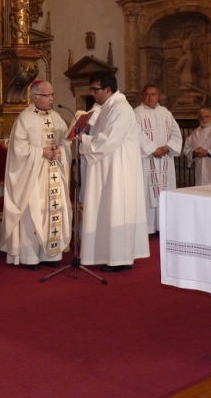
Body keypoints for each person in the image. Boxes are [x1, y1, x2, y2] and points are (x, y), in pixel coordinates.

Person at [79, 71, 149, 272]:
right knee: (108, 210)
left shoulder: (121, 109)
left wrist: (83, 140)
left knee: (117, 210)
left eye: (95, 89)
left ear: (108, 89)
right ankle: (110, 254)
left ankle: (120, 258)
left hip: (118, 170)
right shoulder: (105, 108)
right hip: (107, 167)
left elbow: (108, 139)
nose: (92, 93)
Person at [0, 81, 72, 271]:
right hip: (32, 177)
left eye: (52, 95)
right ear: (35, 97)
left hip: (54, 174)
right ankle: (30, 257)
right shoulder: (24, 119)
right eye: (47, 95)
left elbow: (66, 141)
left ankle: (52, 255)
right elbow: (18, 149)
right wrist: (41, 152)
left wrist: (59, 150)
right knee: (33, 214)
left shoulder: (57, 117)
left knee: (52, 213)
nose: (51, 99)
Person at [133, 84, 182, 233]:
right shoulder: (137, 113)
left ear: (158, 95)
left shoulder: (165, 113)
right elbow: (137, 134)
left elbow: (176, 133)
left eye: (153, 94)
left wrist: (167, 147)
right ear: (143, 96)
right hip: (147, 160)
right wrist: (153, 149)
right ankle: (147, 228)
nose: (150, 98)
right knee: (147, 192)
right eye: (147, 95)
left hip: (165, 159)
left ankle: (164, 226)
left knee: (165, 191)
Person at [183, 108, 211, 186]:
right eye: (201, 117)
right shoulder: (194, 133)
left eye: (207, 116)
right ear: (198, 118)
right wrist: (194, 152)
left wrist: (208, 152)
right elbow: (186, 149)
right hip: (200, 169)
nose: (204, 119)